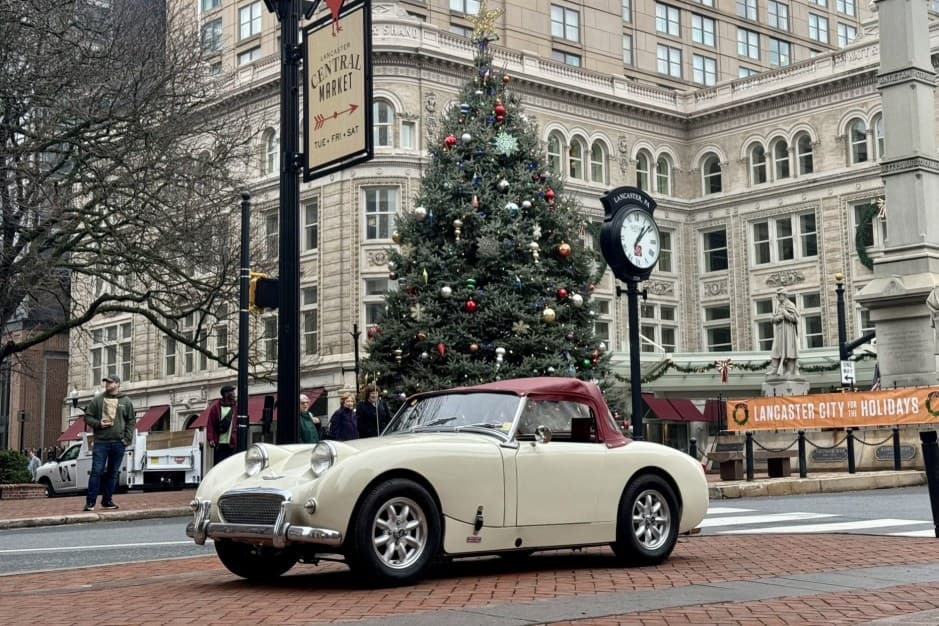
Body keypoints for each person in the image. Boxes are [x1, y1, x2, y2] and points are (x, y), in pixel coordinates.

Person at [83, 375, 135, 511]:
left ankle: (107, 501)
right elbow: (87, 417)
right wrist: (98, 424)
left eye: (110, 382)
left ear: (117, 384)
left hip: (118, 442)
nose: (107, 384)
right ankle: (90, 502)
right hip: (101, 442)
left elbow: (131, 421)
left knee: (113, 473)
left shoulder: (126, 401)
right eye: (106, 382)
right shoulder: (98, 400)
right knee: (96, 471)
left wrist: (127, 439)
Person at [768, 288, 801, 379]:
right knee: (775, 349)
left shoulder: (790, 305)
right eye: (777, 295)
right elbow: (772, 319)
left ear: (784, 295)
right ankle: (775, 368)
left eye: (779, 295)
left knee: (789, 351)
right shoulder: (777, 306)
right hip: (779, 332)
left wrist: (785, 314)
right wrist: (778, 318)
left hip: (788, 332)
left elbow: (796, 319)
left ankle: (789, 371)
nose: (777, 297)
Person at [206, 385, 237, 466]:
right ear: (226, 394)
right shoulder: (215, 407)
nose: (234, 394)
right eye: (232, 392)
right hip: (220, 444)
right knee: (219, 466)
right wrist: (210, 439)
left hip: (232, 443)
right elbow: (210, 424)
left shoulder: (236, 407)